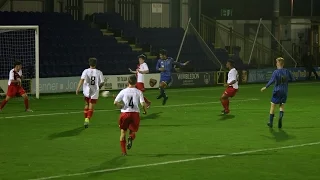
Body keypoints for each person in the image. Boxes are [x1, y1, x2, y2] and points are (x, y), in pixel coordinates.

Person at [114, 75, 147, 156]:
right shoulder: (139, 92)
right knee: (133, 131)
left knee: (122, 133)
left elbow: (115, 103)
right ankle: (131, 137)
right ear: (136, 83)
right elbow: (143, 103)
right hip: (135, 114)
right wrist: (145, 111)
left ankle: (124, 152)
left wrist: (120, 106)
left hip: (125, 113)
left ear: (127, 82)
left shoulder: (123, 91)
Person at [261, 57, 294, 128]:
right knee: (282, 105)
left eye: (276, 62)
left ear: (278, 63)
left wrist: (265, 87)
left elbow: (272, 80)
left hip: (277, 90)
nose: (276, 63)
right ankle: (281, 116)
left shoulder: (276, 72)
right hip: (284, 91)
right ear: (283, 64)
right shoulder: (287, 71)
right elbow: (292, 79)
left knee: (272, 105)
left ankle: (271, 122)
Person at [76, 58, 104, 128]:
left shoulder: (86, 71)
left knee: (86, 104)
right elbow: (102, 82)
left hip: (86, 91)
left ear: (89, 63)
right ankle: (87, 119)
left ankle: (85, 119)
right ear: (96, 64)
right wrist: (99, 87)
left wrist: (78, 88)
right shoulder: (99, 72)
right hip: (94, 91)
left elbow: (82, 80)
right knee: (91, 106)